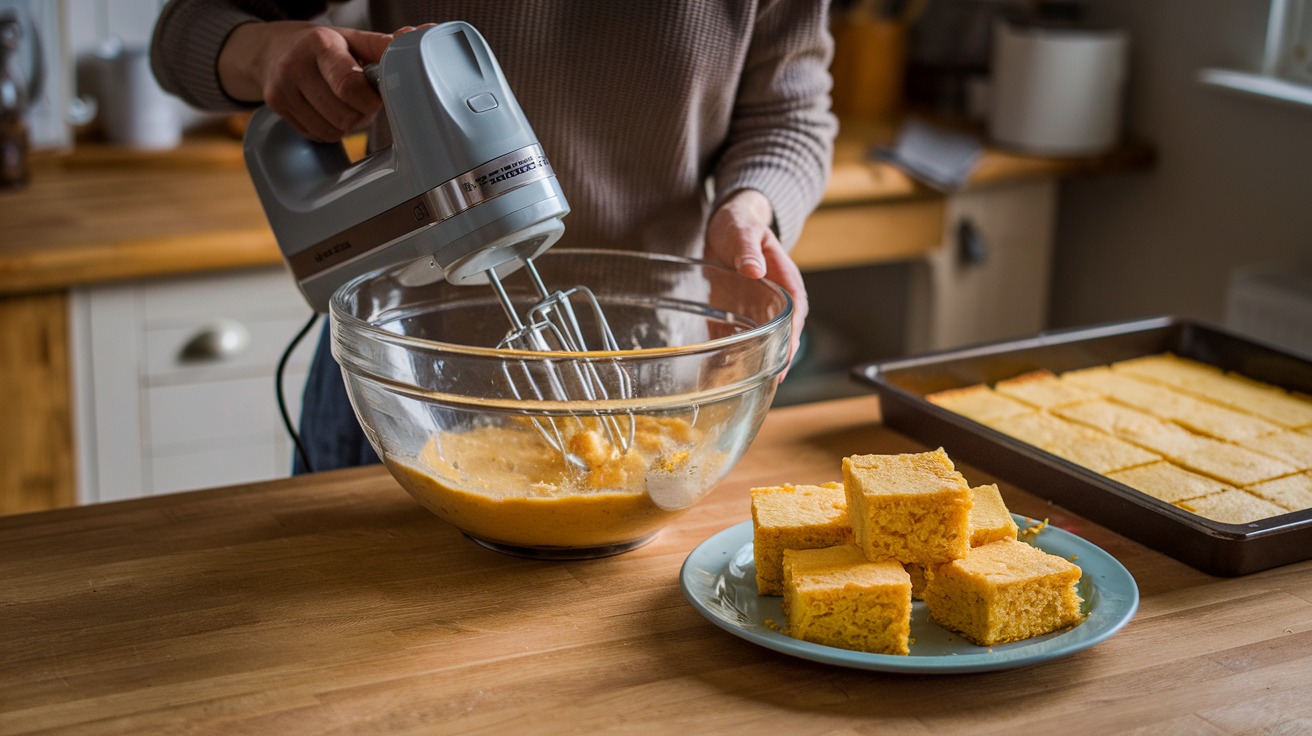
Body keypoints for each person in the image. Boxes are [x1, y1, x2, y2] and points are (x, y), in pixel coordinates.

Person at [151, 1, 837, 474]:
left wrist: (749, 213)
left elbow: (790, 112)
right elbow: (185, 34)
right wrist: (267, 50)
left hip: (651, 374)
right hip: (402, 381)